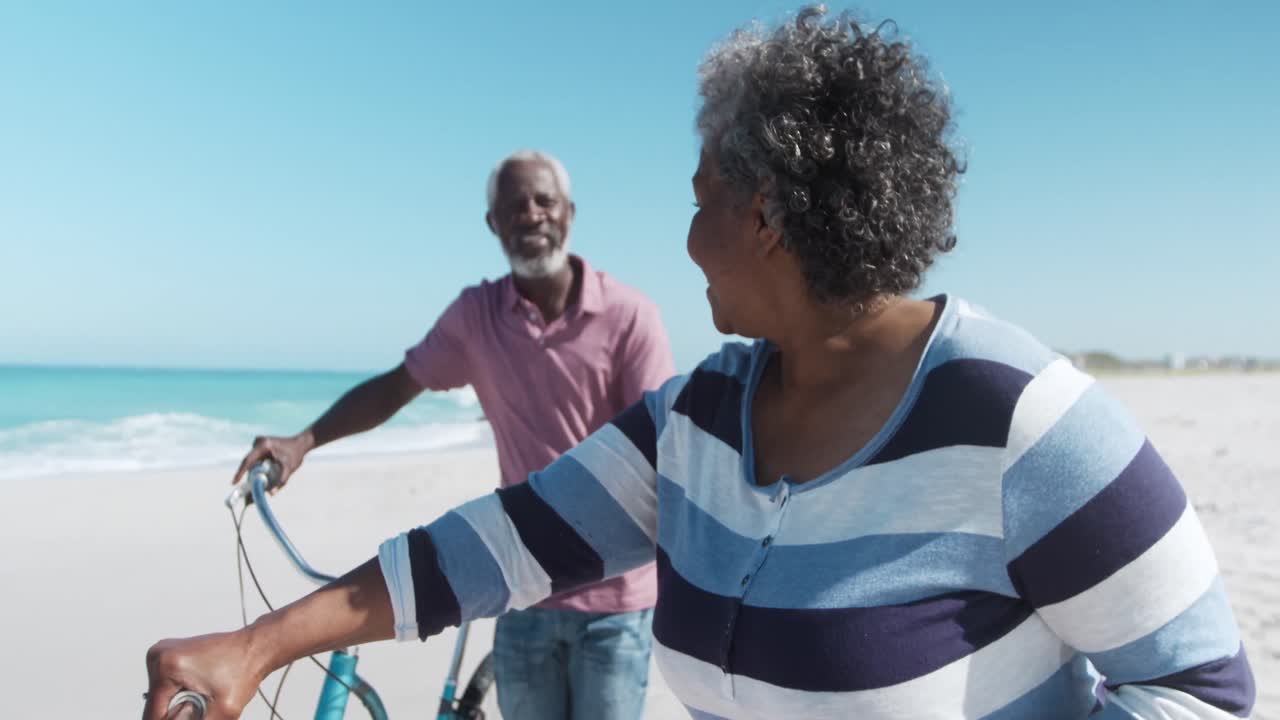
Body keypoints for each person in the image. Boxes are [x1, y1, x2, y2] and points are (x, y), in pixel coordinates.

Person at [146, 8, 1255, 719]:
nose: (684, 242)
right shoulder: (703, 415)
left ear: (765, 212)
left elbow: (1202, 691)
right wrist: (255, 648)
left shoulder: (1023, 423)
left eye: (698, 202)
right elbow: (502, 543)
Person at [228, 149, 674, 720]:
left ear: (570, 212)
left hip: (617, 602)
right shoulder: (476, 317)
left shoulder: (629, 317)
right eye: (514, 205)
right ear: (492, 223)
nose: (531, 214)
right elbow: (396, 387)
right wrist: (303, 441)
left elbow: (664, 457)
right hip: (525, 586)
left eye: (545, 201)